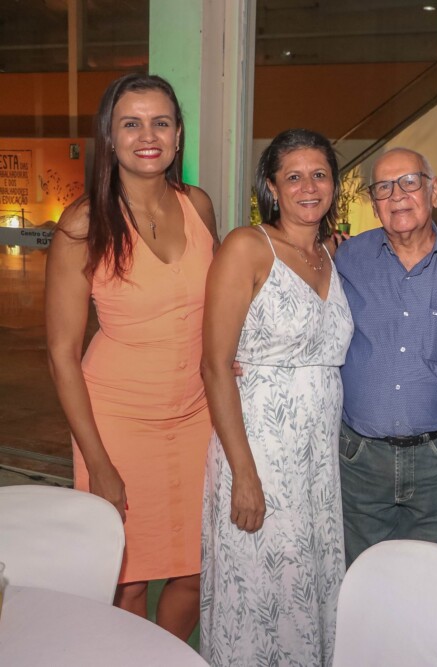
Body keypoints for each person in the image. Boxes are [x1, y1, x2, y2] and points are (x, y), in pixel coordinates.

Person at [45, 73, 218, 638]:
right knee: (127, 578)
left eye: (160, 122)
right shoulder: (83, 223)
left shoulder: (197, 205)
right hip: (115, 419)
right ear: (110, 136)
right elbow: (61, 353)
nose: (148, 136)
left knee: (197, 568)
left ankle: (165, 654)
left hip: (197, 416)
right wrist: (98, 462)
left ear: (178, 134)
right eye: (132, 123)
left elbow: (221, 306)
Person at [200, 129, 353, 665]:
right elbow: (214, 365)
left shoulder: (333, 253)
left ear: (334, 185)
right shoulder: (247, 247)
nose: (309, 187)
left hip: (317, 463)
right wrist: (244, 474)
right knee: (258, 592)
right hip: (259, 451)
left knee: (306, 588)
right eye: (294, 177)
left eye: (320, 175)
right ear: (271, 187)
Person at [335, 148, 437, 564]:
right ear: (374, 203)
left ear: (434, 190)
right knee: (364, 578)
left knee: (430, 579)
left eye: (409, 182)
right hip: (361, 460)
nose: (397, 195)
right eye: (383, 187)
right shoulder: (347, 258)